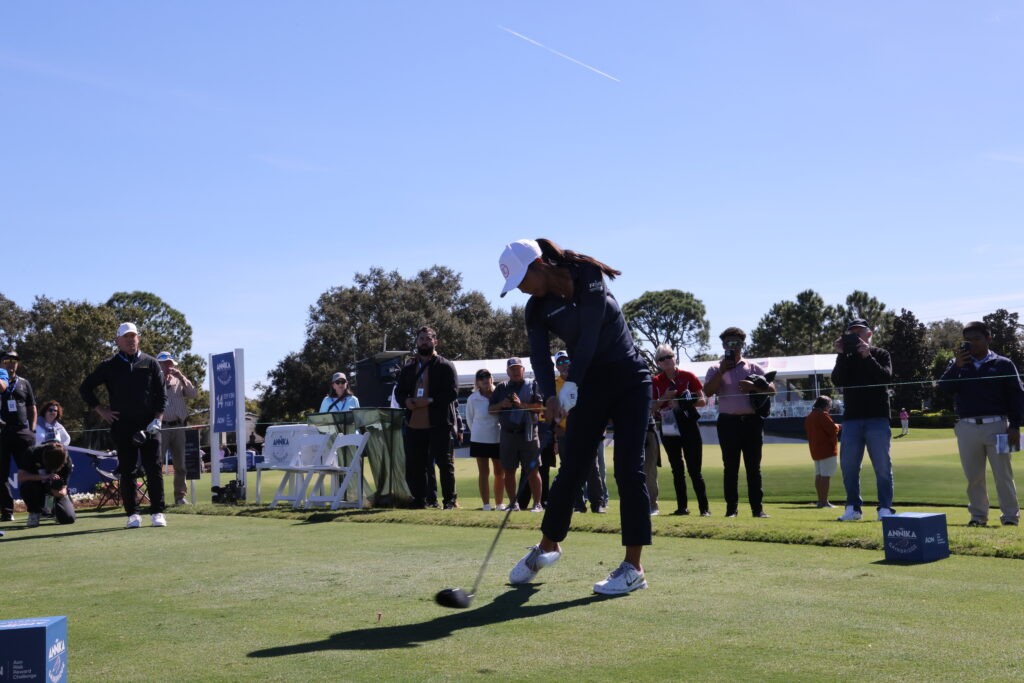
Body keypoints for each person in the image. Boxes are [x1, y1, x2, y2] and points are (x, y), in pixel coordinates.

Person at [499, 238, 652, 595]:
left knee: (630, 468)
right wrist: (552, 396)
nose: (522, 290)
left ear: (538, 266)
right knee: (572, 468)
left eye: (522, 280)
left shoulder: (588, 274)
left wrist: (572, 384)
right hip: (590, 385)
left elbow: (590, 335)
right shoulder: (535, 309)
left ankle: (634, 567)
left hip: (629, 378)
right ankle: (549, 545)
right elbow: (539, 356)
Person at [79, 322, 168, 528]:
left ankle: (157, 512)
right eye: (126, 337)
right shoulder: (109, 365)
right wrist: (101, 410)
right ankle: (133, 514)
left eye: (134, 336)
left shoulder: (150, 362)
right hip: (122, 425)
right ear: (118, 341)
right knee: (127, 470)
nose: (131, 340)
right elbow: (86, 388)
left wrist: (158, 418)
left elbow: (161, 394)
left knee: (153, 468)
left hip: (149, 425)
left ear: (138, 338)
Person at [938, 321, 1023, 526]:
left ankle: (1010, 517)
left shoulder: (1003, 363)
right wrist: (956, 367)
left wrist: (1015, 426)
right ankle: (978, 517)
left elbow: (1017, 396)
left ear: (988, 339)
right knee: (973, 476)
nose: (972, 344)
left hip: (999, 425)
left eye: (977, 339)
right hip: (966, 427)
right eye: (968, 340)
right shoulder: (956, 364)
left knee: (1003, 474)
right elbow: (943, 389)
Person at [704, 328, 775, 518]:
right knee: (730, 468)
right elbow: (708, 391)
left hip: (752, 422)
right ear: (723, 345)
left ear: (743, 344)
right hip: (728, 423)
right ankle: (731, 510)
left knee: (754, 468)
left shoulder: (752, 367)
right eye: (729, 343)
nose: (732, 347)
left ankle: (757, 510)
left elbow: (772, 390)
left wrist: (753, 386)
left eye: (736, 343)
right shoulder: (714, 369)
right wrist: (721, 372)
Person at [831, 318, 896, 522]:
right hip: (852, 420)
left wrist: (868, 357)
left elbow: (885, 378)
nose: (856, 336)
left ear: (869, 334)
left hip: (877, 418)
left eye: (859, 332)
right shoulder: (846, 358)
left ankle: (885, 508)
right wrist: (841, 354)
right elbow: (837, 380)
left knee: (882, 466)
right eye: (852, 333)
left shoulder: (881, 354)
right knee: (849, 467)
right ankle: (853, 508)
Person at [394, 326, 459, 510]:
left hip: (439, 423)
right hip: (414, 423)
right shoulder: (409, 368)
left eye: (428, 339)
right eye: (421, 338)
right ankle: (419, 500)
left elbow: (452, 393)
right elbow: (399, 392)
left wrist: (429, 401)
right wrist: (407, 401)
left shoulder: (445, 365)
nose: (424, 342)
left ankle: (449, 501)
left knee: (444, 464)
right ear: (416, 342)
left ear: (435, 342)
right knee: (417, 464)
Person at [651, 344, 710, 516]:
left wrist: (684, 401)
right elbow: (652, 407)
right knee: (677, 469)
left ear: (675, 357)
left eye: (669, 356)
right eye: (662, 359)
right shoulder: (656, 381)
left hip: (688, 425)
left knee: (694, 469)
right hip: (668, 426)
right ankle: (682, 507)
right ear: (658, 363)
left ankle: (704, 508)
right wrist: (665, 398)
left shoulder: (688, 376)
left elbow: (702, 401)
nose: (666, 361)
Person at [489, 358, 545, 511]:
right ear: (507, 371)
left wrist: (522, 405)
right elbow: (491, 409)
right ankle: (514, 504)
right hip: (508, 435)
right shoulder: (501, 388)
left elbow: (540, 408)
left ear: (523, 370)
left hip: (528, 434)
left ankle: (537, 504)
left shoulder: (532, 385)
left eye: (517, 368)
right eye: (512, 369)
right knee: (509, 471)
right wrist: (502, 404)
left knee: (533, 470)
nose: (515, 371)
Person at [155, 352, 198, 506]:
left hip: (178, 426)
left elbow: (193, 394)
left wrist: (182, 377)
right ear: (158, 364)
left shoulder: (178, 381)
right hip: (161, 428)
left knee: (180, 464)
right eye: (165, 363)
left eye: (170, 363)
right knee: (156, 464)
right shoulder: (152, 381)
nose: (168, 366)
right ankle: (157, 498)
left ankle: (180, 497)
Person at [1, 350, 37, 523]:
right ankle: (7, 512)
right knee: (1, 475)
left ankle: (35, 509)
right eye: (7, 360)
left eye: (14, 360)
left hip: (23, 432)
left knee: (29, 471)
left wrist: (33, 429)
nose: (10, 363)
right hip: (2, 432)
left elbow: (32, 407)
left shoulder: (24, 383)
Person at [466, 369, 504, 510]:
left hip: (497, 437)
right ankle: (486, 505)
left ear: (491, 379)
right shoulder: (472, 398)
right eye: (481, 378)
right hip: (479, 438)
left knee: (499, 472)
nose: (485, 380)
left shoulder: (499, 394)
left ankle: (499, 504)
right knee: (483, 472)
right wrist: (477, 432)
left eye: (487, 377)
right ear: (477, 382)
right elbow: (470, 419)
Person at [18, 440, 76, 527]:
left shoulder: (66, 460)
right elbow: (21, 477)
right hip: (37, 486)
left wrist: (58, 492)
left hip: (55, 489)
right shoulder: (32, 452)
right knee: (27, 486)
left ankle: (55, 510)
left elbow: (64, 489)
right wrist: (45, 477)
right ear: (44, 458)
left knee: (69, 518)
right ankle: (35, 512)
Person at [804, 396, 840, 508]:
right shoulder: (822, 415)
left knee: (819, 475)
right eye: (829, 405)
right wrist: (838, 426)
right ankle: (824, 502)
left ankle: (820, 500)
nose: (830, 407)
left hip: (816, 449)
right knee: (825, 476)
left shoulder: (810, 416)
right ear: (825, 405)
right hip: (827, 449)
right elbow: (833, 429)